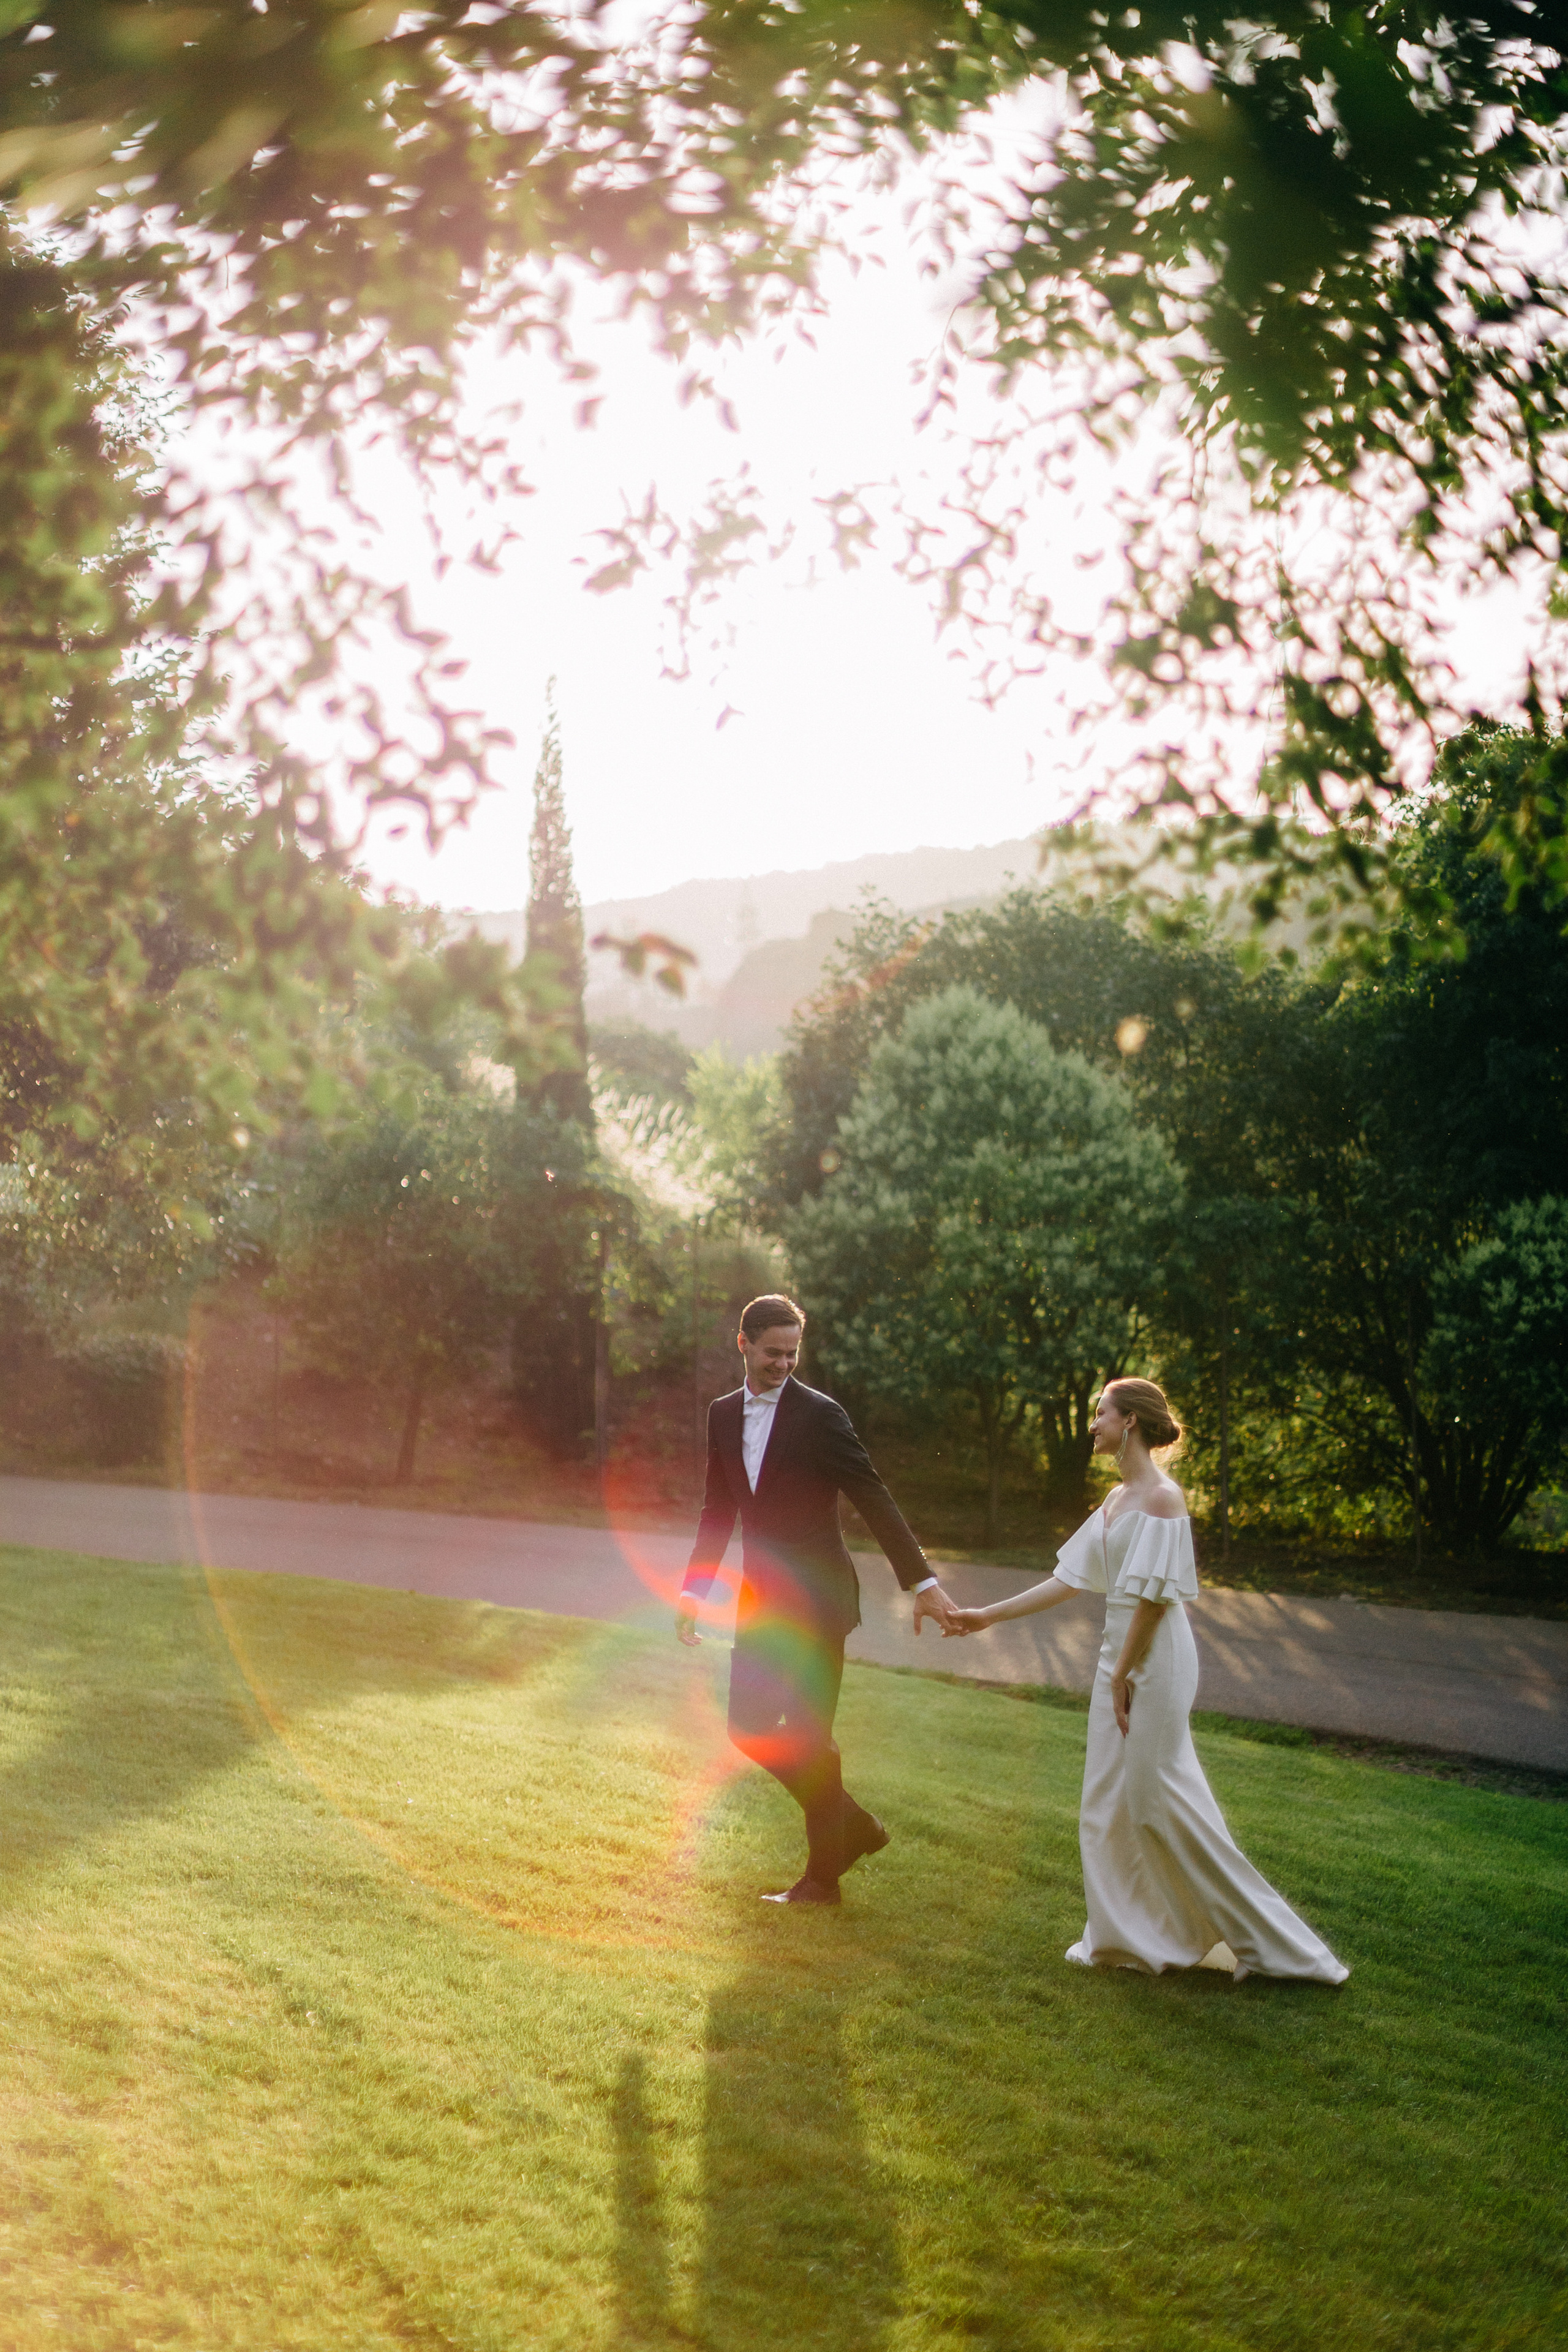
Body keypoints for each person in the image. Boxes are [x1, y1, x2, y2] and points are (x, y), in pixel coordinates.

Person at [949, 1378, 1348, 1983]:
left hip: (1153, 1659)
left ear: (1130, 1421)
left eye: (1100, 1414)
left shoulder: (1163, 1499)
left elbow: (1155, 1602)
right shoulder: (1114, 1500)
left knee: (1155, 1802)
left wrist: (1125, 1673)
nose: (1092, 1425)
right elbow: (1067, 1579)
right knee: (1105, 1805)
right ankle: (1124, 1937)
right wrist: (987, 1616)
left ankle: (1278, 1949)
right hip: (1120, 1654)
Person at [677, 1294, 960, 1905]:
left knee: (808, 1738)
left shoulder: (821, 1415)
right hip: (759, 1603)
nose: (783, 1365)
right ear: (743, 1344)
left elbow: (872, 1495)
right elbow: (717, 1508)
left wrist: (923, 1582)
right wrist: (694, 1589)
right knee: (747, 1728)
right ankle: (854, 1827)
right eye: (773, 1353)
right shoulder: (722, 1415)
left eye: (793, 1354)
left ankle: (821, 1882)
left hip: (820, 1601)